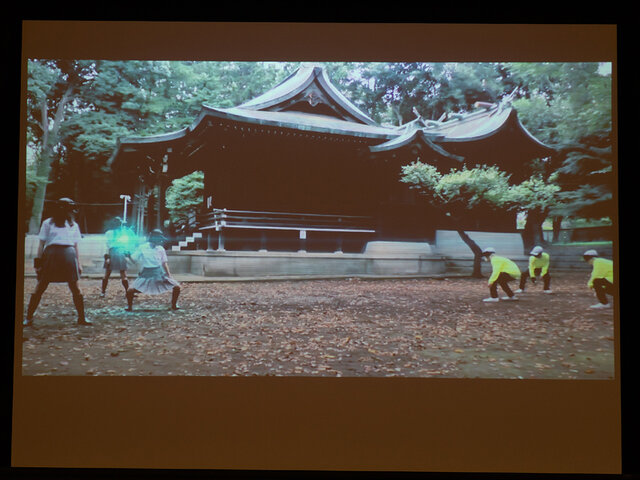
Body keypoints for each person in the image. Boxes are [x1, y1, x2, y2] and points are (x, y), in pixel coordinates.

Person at [24, 198, 91, 326]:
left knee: (75, 287)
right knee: (41, 285)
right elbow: (41, 244)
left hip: (68, 255)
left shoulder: (73, 225)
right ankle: (28, 317)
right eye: (70, 209)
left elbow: (75, 245)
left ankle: (82, 317)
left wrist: (78, 263)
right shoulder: (48, 223)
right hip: (51, 254)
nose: (72, 212)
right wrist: (38, 264)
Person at [125, 229, 180, 311]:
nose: (160, 241)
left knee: (177, 287)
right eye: (158, 239)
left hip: (159, 274)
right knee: (130, 290)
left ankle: (174, 304)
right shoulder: (143, 247)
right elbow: (134, 260)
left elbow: (164, 263)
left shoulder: (160, 249)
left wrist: (169, 275)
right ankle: (129, 307)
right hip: (146, 274)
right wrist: (129, 256)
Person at [101, 217, 134, 297]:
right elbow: (106, 245)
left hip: (120, 252)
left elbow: (126, 244)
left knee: (123, 273)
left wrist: (127, 253)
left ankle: (127, 292)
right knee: (107, 273)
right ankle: (103, 292)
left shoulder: (123, 233)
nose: (119, 225)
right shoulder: (109, 233)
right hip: (112, 252)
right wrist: (107, 257)